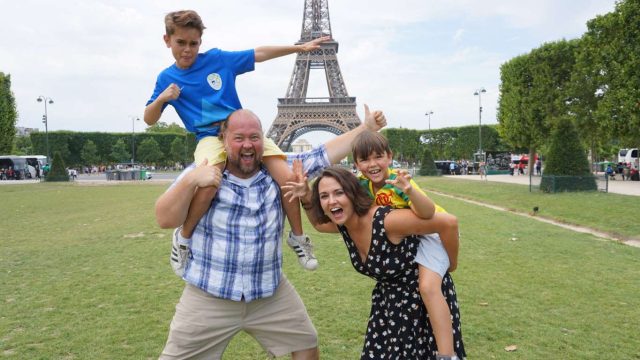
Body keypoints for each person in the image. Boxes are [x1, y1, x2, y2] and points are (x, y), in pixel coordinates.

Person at [155, 107, 386, 359]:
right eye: (239, 138)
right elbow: (164, 218)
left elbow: (323, 155)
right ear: (223, 138)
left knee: (306, 345)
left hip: (269, 292)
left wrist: (366, 128)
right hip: (209, 294)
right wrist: (191, 180)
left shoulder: (282, 171)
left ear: (264, 140)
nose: (247, 145)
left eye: (254, 137)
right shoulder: (203, 170)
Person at [145, 10, 329, 271]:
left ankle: (297, 237)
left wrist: (299, 48)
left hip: (239, 131)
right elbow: (149, 118)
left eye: (193, 43)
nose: (188, 50)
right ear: (167, 40)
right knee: (208, 184)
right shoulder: (166, 78)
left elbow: (259, 53)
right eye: (181, 43)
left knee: (287, 178)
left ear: (200, 42)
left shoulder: (218, 60)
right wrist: (162, 98)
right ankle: (183, 238)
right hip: (209, 138)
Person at [286, 166, 465, 359]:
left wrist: (451, 264)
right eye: (324, 196)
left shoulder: (386, 221)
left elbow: (448, 223)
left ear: (353, 193)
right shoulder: (344, 225)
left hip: (424, 306)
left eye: (339, 192)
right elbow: (319, 225)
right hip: (388, 308)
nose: (332, 201)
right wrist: (305, 197)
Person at [348, 130, 460, 358]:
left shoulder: (399, 181)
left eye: (378, 156)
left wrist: (408, 189)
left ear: (389, 157)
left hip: (431, 235)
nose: (373, 164)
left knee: (428, 288)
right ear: (357, 164)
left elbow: (428, 213)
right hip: (412, 236)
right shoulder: (362, 186)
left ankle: (448, 356)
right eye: (365, 159)